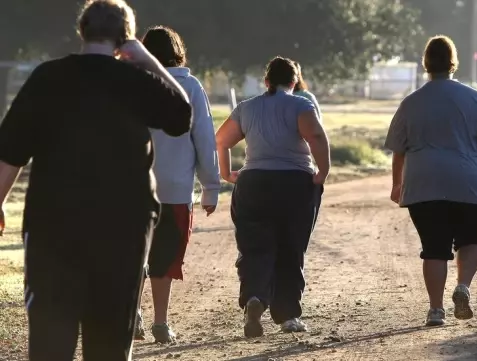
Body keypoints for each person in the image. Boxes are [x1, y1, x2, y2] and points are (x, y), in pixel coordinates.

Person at [0, 1, 192, 360]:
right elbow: (182, 116)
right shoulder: (137, 80)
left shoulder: (47, 77)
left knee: (50, 344)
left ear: (82, 31)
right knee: (108, 345)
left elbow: (9, 153)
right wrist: (147, 59)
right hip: (123, 230)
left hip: (52, 230)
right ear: (126, 38)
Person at [384, 35, 477, 327]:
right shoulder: (475, 98)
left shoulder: (411, 103)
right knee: (473, 238)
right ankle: (463, 285)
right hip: (468, 181)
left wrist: (396, 183)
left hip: (424, 183)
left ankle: (435, 310)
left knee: (434, 247)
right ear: (454, 62)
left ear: (425, 63)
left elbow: (399, 150)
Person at [216, 56, 329, 338]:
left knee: (254, 246)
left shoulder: (247, 108)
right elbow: (315, 136)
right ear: (294, 82)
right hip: (294, 183)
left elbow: (221, 140)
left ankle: (255, 298)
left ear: (266, 82)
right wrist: (323, 171)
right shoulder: (301, 104)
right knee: (291, 247)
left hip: (254, 182)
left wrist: (227, 173)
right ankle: (288, 314)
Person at [132, 26, 220, 343]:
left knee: (133, 255)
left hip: (133, 188)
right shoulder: (191, 87)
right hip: (175, 188)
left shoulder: (133, 84)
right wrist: (211, 186)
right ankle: (160, 322)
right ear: (178, 52)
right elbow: (205, 139)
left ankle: (133, 315)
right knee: (166, 257)